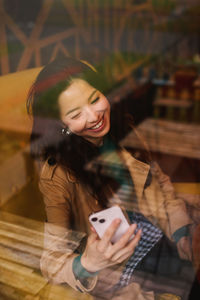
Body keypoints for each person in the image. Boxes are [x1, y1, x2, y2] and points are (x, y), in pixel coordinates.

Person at [27, 56, 195, 300]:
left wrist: (182, 235)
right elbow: (52, 259)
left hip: (160, 237)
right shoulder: (58, 173)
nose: (94, 116)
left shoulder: (122, 126)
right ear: (60, 124)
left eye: (95, 99)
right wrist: (87, 263)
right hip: (122, 268)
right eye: (76, 115)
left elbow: (160, 185)